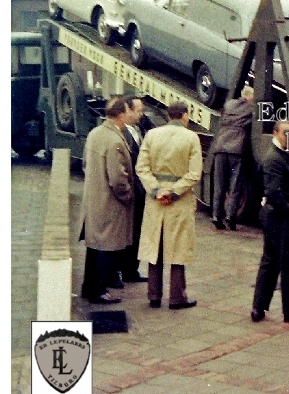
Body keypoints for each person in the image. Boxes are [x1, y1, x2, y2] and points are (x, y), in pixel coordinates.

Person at [136, 101, 203, 309]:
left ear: (167, 115)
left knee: (155, 245)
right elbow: (194, 174)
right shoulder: (191, 137)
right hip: (179, 199)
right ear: (184, 115)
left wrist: (156, 190)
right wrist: (173, 192)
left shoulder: (152, 135)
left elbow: (142, 168)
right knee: (178, 248)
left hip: (155, 199)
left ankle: (153, 296)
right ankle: (177, 297)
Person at [251, 119, 289, 323]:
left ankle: (258, 308)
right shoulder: (274, 158)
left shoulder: (283, 155)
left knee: (271, 261)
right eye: (287, 135)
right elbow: (273, 192)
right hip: (278, 217)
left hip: (275, 215)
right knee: (287, 264)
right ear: (276, 133)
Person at [79, 96, 134, 304]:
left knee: (94, 247)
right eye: (128, 111)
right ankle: (99, 291)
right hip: (111, 204)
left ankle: (89, 287)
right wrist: (128, 197)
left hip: (95, 200)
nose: (130, 114)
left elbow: (85, 164)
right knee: (107, 248)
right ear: (121, 114)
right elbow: (118, 179)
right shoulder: (114, 140)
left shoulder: (95, 134)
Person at [210, 85, 255, 231]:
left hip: (221, 147)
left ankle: (216, 215)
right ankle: (230, 216)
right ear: (250, 96)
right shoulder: (251, 108)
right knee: (235, 185)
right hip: (237, 149)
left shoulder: (228, 104)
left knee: (219, 184)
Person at [119, 95, 153, 282]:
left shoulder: (138, 130)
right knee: (128, 232)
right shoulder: (123, 133)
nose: (141, 115)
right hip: (132, 190)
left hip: (140, 191)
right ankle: (124, 269)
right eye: (139, 111)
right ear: (128, 110)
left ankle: (131, 269)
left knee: (137, 231)